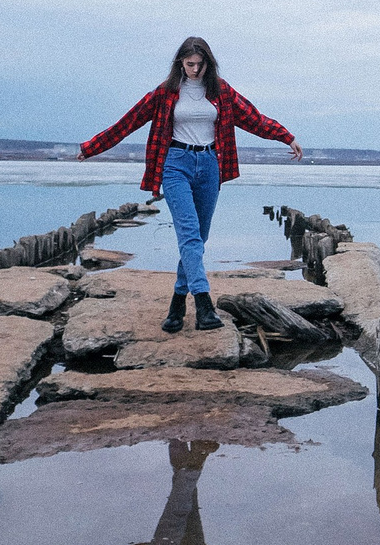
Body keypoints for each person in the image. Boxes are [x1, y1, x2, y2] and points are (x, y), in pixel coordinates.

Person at [81, 36, 303, 332]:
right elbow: (127, 122)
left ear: (208, 64)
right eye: (190, 64)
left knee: (199, 238)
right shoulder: (165, 93)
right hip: (175, 164)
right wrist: (92, 147)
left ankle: (176, 304)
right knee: (189, 235)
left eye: (200, 64)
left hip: (210, 165)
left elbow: (254, 119)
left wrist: (286, 136)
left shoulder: (221, 92)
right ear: (180, 63)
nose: (195, 70)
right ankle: (203, 305)